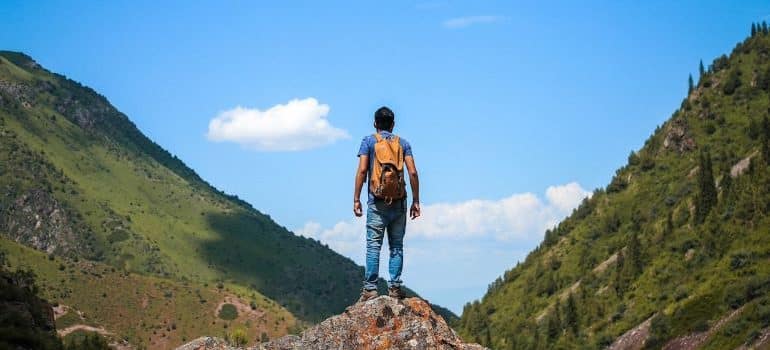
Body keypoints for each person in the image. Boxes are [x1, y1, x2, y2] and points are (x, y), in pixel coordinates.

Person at [353, 106, 421, 302]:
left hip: (377, 201)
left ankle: (370, 289)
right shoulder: (403, 144)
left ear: (375, 123)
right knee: (397, 246)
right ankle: (394, 288)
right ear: (393, 124)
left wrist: (356, 198)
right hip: (399, 201)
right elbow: (413, 172)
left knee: (373, 245)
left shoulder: (368, 141)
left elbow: (363, 170)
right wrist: (416, 200)